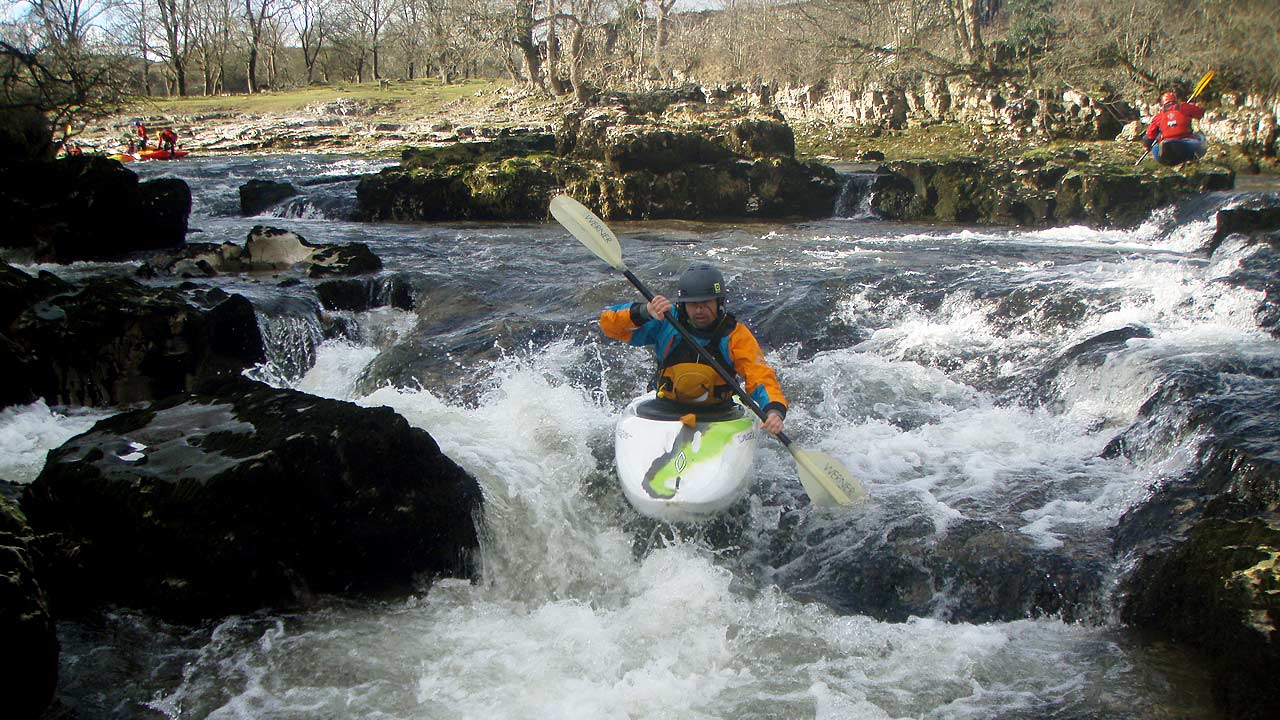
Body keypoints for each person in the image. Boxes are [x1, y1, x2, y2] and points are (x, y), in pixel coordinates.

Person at [599, 263, 788, 435]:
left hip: (718, 411)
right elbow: (609, 326)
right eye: (693, 304)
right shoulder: (665, 321)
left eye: (706, 303)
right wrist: (643, 312)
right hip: (666, 406)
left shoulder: (734, 335)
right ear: (683, 305)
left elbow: (759, 376)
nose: (699, 310)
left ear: (719, 302)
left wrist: (773, 410)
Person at [1143, 90, 1206, 166]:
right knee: (1200, 136)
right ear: (1175, 100)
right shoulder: (1185, 107)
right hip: (1186, 144)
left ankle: (1167, 156)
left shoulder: (1158, 116)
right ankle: (1190, 157)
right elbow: (1200, 113)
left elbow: (1149, 137)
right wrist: (1194, 106)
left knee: (1158, 142)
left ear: (1162, 104)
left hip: (1167, 144)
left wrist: (1148, 147)